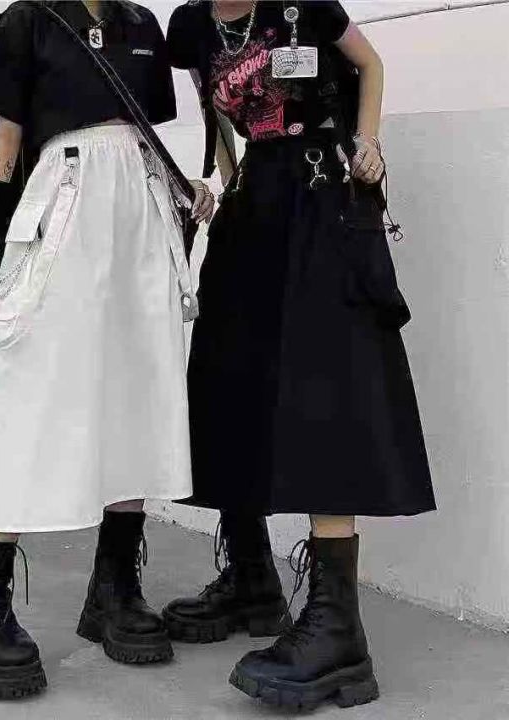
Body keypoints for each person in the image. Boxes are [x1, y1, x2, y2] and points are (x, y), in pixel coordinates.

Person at [164, 0, 436, 711]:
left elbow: (369, 64)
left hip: (322, 197)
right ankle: (251, 578)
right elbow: (214, 107)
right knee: (229, 383)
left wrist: (369, 143)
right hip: (253, 206)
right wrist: (222, 177)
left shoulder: (303, 6)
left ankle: (338, 632)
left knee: (325, 386)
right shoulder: (191, 26)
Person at [0, 0, 214, 700]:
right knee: (28, 396)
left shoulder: (143, 25)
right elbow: (7, 141)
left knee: (138, 391)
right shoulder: (30, 20)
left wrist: (190, 187)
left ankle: (115, 589)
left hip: (141, 219)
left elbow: (140, 132)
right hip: (62, 210)